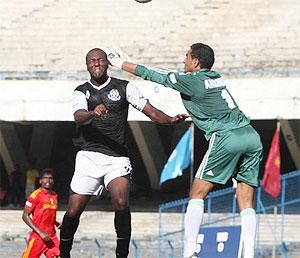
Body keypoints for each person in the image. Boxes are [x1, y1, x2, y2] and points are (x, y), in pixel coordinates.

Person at [105, 43, 263, 258]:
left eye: (186, 56)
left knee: (197, 194)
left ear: (196, 62)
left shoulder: (193, 80)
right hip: (251, 136)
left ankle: (189, 253)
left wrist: (122, 64)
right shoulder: (215, 77)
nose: (183, 60)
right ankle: (250, 254)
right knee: (246, 200)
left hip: (227, 137)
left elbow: (157, 75)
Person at [59, 48, 188, 258]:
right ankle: (63, 252)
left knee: (121, 202)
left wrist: (170, 119)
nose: (97, 64)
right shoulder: (81, 91)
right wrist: (93, 112)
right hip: (89, 156)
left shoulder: (125, 87)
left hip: (117, 157)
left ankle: (122, 255)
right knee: (73, 211)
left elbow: (151, 110)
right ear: (87, 66)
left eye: (101, 60)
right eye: (92, 61)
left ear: (107, 64)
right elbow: (78, 116)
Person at [22, 168, 60, 258]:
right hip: (38, 237)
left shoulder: (54, 195)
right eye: (45, 178)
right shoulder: (35, 195)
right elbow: (25, 215)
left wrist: (55, 222)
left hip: (51, 236)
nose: (48, 180)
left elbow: (47, 213)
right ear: (40, 181)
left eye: (50, 178)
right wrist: (40, 233)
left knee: (60, 255)